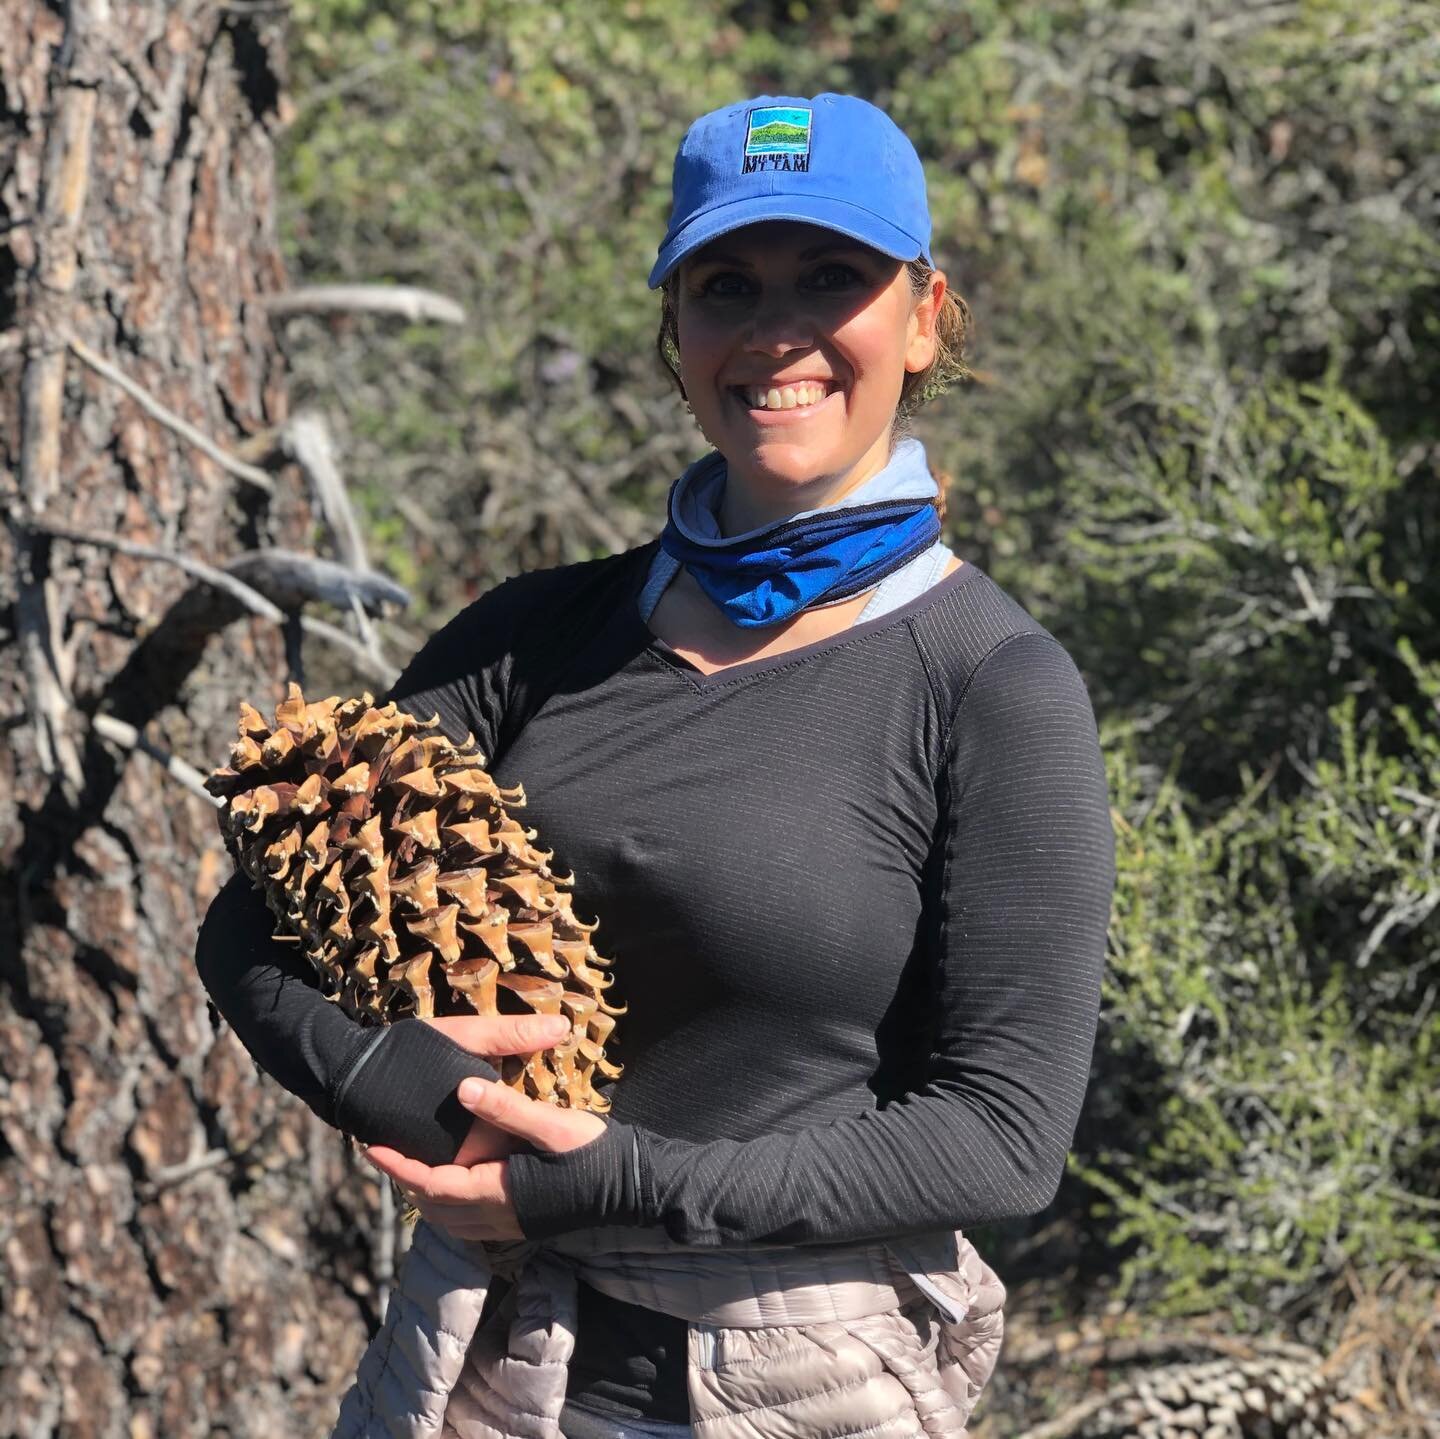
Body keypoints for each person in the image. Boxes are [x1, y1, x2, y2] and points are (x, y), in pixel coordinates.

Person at [195, 92, 1115, 1439]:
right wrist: (383, 1073)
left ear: (923, 316)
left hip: (798, 1379)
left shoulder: (989, 683)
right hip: (479, 1356)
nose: (776, 328)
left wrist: (606, 1181)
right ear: (676, 333)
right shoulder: (535, 637)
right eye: (726, 284)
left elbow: (1002, 1135)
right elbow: (250, 923)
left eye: (833, 277)